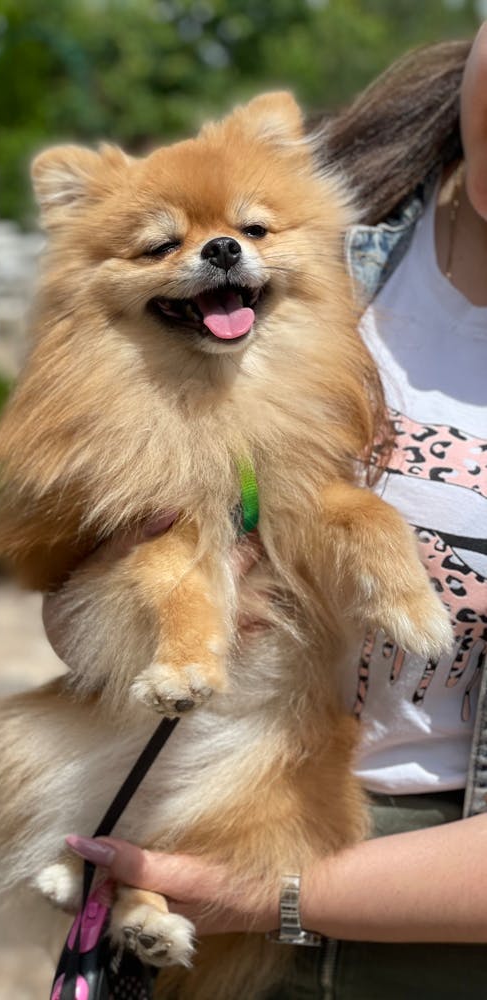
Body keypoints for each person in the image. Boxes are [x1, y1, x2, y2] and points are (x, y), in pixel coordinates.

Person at [48, 25, 487, 998]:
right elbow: (73, 600)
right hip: (193, 806)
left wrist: (267, 892)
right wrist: (154, 590)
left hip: (426, 918)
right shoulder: (331, 212)